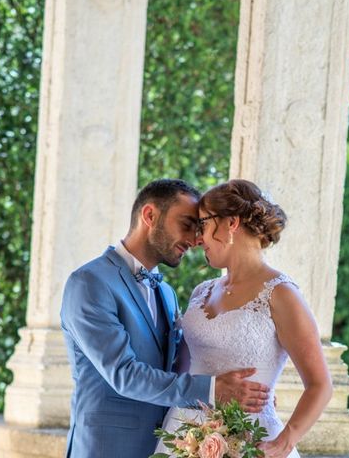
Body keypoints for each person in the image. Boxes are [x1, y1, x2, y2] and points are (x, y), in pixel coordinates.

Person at [60, 179, 270, 458]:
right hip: (106, 447)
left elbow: (179, 365)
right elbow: (124, 374)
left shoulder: (167, 293)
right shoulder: (89, 283)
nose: (196, 239)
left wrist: (247, 396)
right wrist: (213, 390)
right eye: (186, 224)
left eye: (200, 229)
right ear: (149, 216)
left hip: (165, 446)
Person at [155, 179, 333, 458]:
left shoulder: (281, 294)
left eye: (203, 224)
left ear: (231, 223)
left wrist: (284, 443)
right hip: (183, 437)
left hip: (248, 441)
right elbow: (183, 368)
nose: (197, 238)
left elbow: (321, 385)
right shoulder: (202, 291)